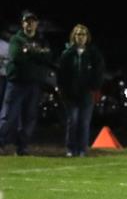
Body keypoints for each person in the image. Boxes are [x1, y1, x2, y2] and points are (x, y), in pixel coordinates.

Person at [0, 11, 53, 156]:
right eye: (27, 21)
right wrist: (37, 54)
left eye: (32, 21)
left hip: (34, 84)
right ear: (22, 23)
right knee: (8, 116)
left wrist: (30, 52)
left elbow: (48, 58)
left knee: (29, 117)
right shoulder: (16, 40)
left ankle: (22, 147)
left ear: (37, 23)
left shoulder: (42, 40)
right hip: (17, 82)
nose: (30, 24)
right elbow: (18, 57)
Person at [57, 24, 105, 157]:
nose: (80, 37)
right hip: (71, 94)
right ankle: (71, 148)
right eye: (78, 34)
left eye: (83, 34)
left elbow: (99, 72)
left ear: (87, 37)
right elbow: (61, 73)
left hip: (86, 93)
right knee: (72, 120)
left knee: (84, 122)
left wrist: (94, 88)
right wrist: (63, 90)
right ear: (74, 36)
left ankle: (82, 149)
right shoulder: (68, 54)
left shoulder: (93, 54)